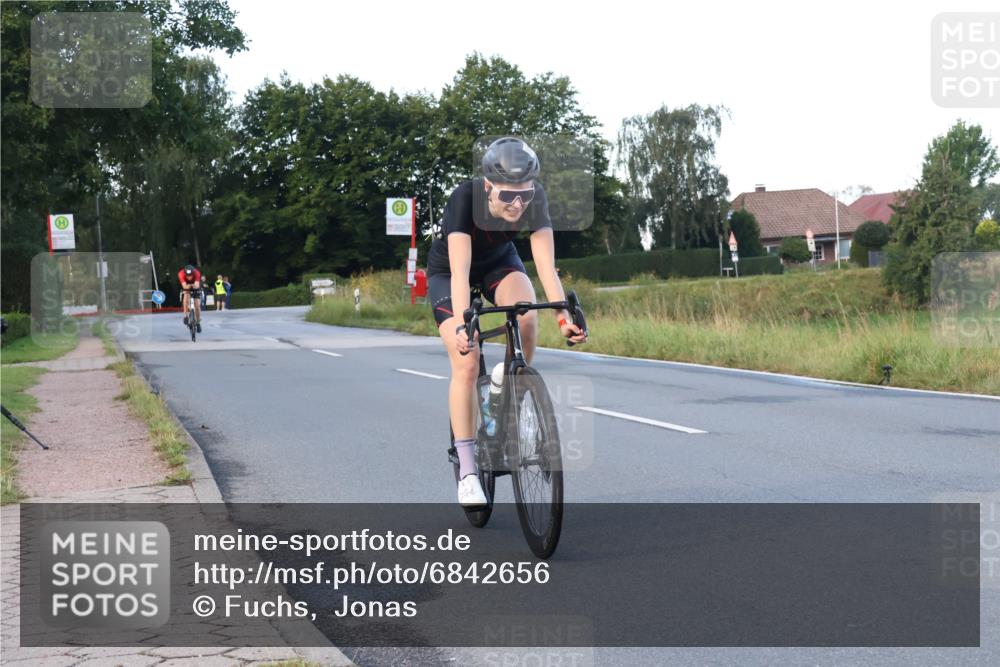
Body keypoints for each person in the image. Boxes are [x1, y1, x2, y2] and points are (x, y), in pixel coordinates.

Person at [426, 137, 587, 506]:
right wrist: (465, 327)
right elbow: (460, 268)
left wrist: (563, 314)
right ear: (488, 188)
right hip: (452, 272)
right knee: (466, 361)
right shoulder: (465, 199)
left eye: (525, 196)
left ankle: (508, 384)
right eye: (507, 196)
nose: (517, 204)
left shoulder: (536, 198)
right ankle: (468, 470)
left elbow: (546, 267)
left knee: (528, 316)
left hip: (500, 262)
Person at [177, 264, 202, 332]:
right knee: (186, 296)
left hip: (195, 286)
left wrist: (191, 285)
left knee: (197, 305)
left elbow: (197, 285)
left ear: (193, 273)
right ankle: (185, 316)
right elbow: (184, 286)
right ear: (185, 274)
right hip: (186, 287)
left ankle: (198, 322)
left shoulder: (197, 273)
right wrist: (189, 286)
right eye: (187, 275)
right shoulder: (181, 274)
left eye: (190, 275)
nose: (189, 277)